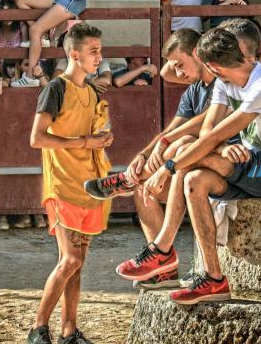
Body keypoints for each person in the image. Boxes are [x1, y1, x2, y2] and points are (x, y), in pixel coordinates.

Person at [114, 28, 261, 305]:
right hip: (248, 160)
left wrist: (167, 168)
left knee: (184, 150)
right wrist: (221, 149)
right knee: (194, 180)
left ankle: (162, 248)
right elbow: (209, 132)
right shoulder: (224, 82)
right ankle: (213, 278)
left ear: (213, 66)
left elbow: (215, 135)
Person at [83, 28, 221, 289]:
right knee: (143, 188)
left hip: (215, 163)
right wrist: (144, 154)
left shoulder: (221, 83)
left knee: (181, 143)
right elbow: (170, 128)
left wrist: (164, 145)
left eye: (180, 64)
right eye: (175, 66)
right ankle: (164, 268)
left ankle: (126, 181)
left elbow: (202, 125)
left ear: (197, 53)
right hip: (186, 166)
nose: (177, 72)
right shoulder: (193, 90)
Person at [26, 23, 112, 344]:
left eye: (99, 50)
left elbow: (93, 132)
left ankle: (69, 330)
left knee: (77, 263)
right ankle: (38, 327)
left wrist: (101, 138)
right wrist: (86, 141)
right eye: (93, 51)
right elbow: (37, 138)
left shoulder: (91, 91)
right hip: (62, 184)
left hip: (88, 183)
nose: (99, 57)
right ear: (74, 54)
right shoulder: (55, 88)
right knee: (71, 259)